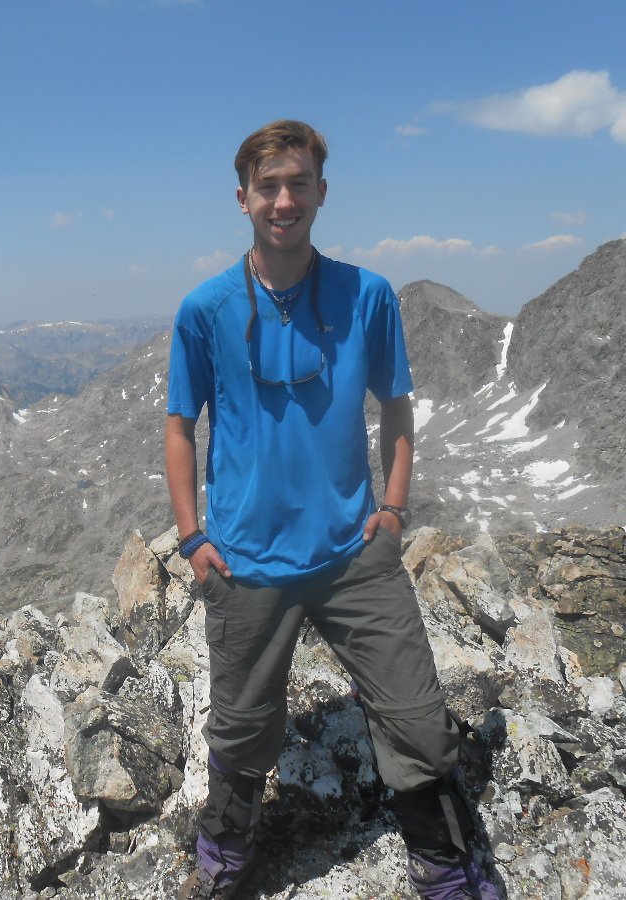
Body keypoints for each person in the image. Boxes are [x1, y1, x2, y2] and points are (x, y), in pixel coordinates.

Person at [165, 120, 498, 899]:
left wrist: (392, 511)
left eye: (298, 184)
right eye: (269, 186)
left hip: (354, 553)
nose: (284, 200)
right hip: (245, 564)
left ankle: (445, 867)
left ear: (321, 191)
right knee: (243, 734)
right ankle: (227, 858)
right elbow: (181, 429)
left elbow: (398, 407)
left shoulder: (367, 296)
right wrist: (192, 540)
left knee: (419, 720)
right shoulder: (205, 309)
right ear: (242, 198)